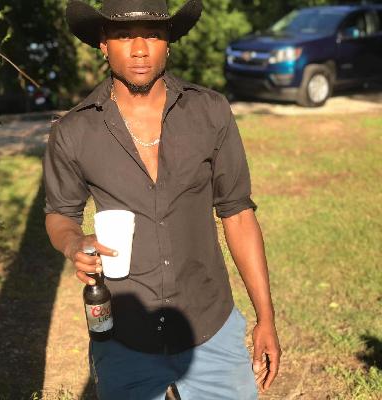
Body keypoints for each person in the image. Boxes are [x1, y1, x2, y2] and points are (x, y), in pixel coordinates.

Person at [43, 0, 281, 399]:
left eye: (152, 35)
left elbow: (238, 213)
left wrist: (266, 319)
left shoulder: (210, 112)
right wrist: (73, 244)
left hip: (210, 326)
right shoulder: (74, 131)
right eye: (124, 36)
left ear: (168, 42)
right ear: (103, 44)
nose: (139, 50)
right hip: (123, 337)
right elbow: (59, 214)